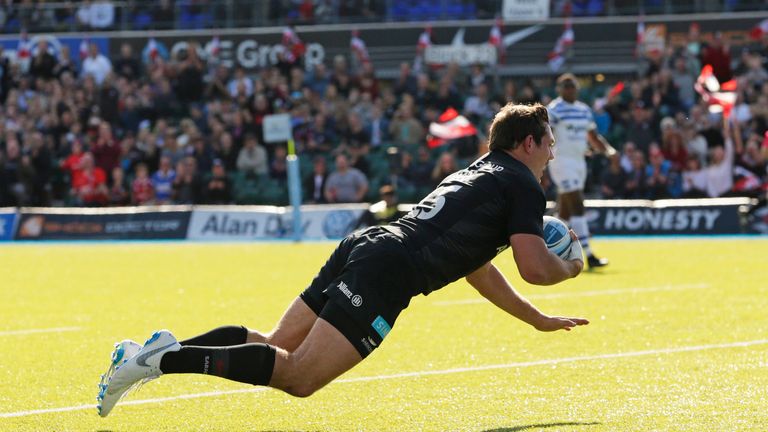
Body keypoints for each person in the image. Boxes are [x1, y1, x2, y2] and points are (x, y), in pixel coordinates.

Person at [96, 103, 587, 417]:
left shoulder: (478, 172)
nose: (552, 150)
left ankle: (155, 351)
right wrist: (572, 265)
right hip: (389, 271)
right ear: (528, 143)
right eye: (548, 141)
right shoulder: (523, 183)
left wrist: (536, 319)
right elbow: (534, 267)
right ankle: (165, 357)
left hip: (368, 244)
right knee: (300, 376)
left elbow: (477, 270)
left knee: (273, 342)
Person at [546, 73, 616, 269]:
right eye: (566, 86)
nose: (570, 89)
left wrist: (610, 152)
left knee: (566, 212)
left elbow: (593, 136)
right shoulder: (554, 109)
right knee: (577, 204)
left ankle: (548, 251)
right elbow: (546, 136)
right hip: (561, 162)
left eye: (572, 86)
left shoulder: (583, 110)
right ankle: (589, 254)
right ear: (559, 89)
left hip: (579, 163)